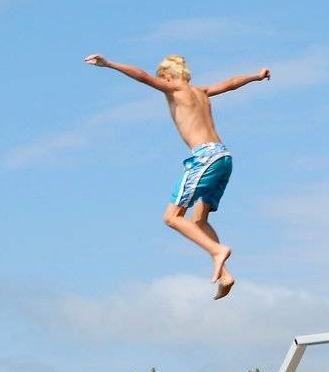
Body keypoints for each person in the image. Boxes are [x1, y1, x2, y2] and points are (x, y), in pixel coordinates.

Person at [84, 52, 271, 299]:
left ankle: (217, 250)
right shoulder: (202, 92)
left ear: (168, 76)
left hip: (204, 158)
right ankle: (225, 275)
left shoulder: (175, 89)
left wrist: (109, 64)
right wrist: (256, 77)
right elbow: (231, 83)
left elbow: (142, 76)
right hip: (224, 157)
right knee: (198, 221)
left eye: (163, 79)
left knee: (172, 217)